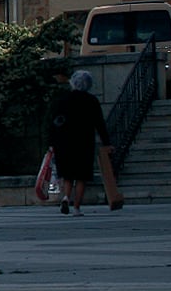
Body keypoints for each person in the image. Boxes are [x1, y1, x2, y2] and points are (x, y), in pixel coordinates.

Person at [45, 69, 124, 214]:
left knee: (68, 174)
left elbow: (55, 122)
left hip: (65, 142)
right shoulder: (91, 101)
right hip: (84, 142)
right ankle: (76, 207)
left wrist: (52, 142)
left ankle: (66, 197)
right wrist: (106, 142)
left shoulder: (63, 100)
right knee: (82, 176)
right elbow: (99, 123)